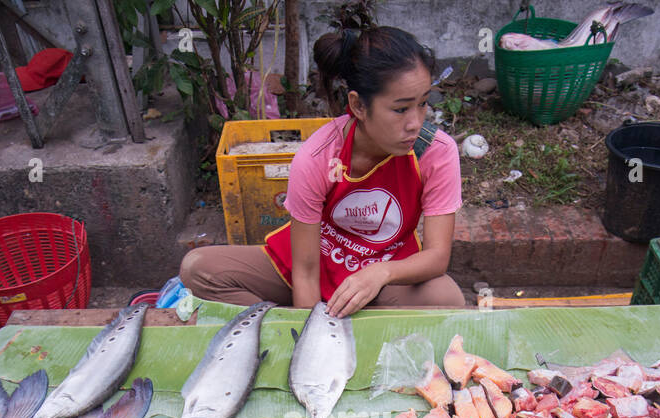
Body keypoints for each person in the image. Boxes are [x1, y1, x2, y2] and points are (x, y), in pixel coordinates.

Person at [180, 25, 465, 317]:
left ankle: (321, 318)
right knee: (198, 268)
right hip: (308, 268)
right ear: (358, 105)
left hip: (381, 279)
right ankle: (289, 325)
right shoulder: (318, 156)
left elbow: (437, 257)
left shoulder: (435, 153)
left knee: (447, 297)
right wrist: (311, 329)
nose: (415, 123)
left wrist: (381, 273)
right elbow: (304, 271)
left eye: (422, 104)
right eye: (401, 109)